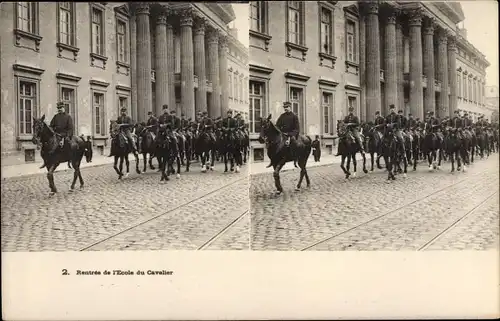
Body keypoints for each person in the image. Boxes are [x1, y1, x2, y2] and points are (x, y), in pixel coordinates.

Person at [39, 102, 75, 168]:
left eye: (61, 108)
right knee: (46, 145)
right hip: (56, 134)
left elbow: (70, 128)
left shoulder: (68, 117)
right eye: (58, 108)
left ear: (64, 108)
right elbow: (51, 126)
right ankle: (45, 161)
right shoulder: (56, 116)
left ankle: (69, 159)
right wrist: (52, 130)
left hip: (64, 134)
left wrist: (67, 136)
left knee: (67, 144)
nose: (59, 109)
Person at [265, 101, 300, 167]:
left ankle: (295, 158)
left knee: (294, 142)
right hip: (282, 134)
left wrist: (290, 134)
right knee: (272, 144)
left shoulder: (294, 116)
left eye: (287, 107)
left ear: (290, 107)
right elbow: (277, 125)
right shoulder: (282, 116)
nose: (285, 108)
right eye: (284, 107)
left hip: (291, 134)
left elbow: (297, 129)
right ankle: (272, 160)